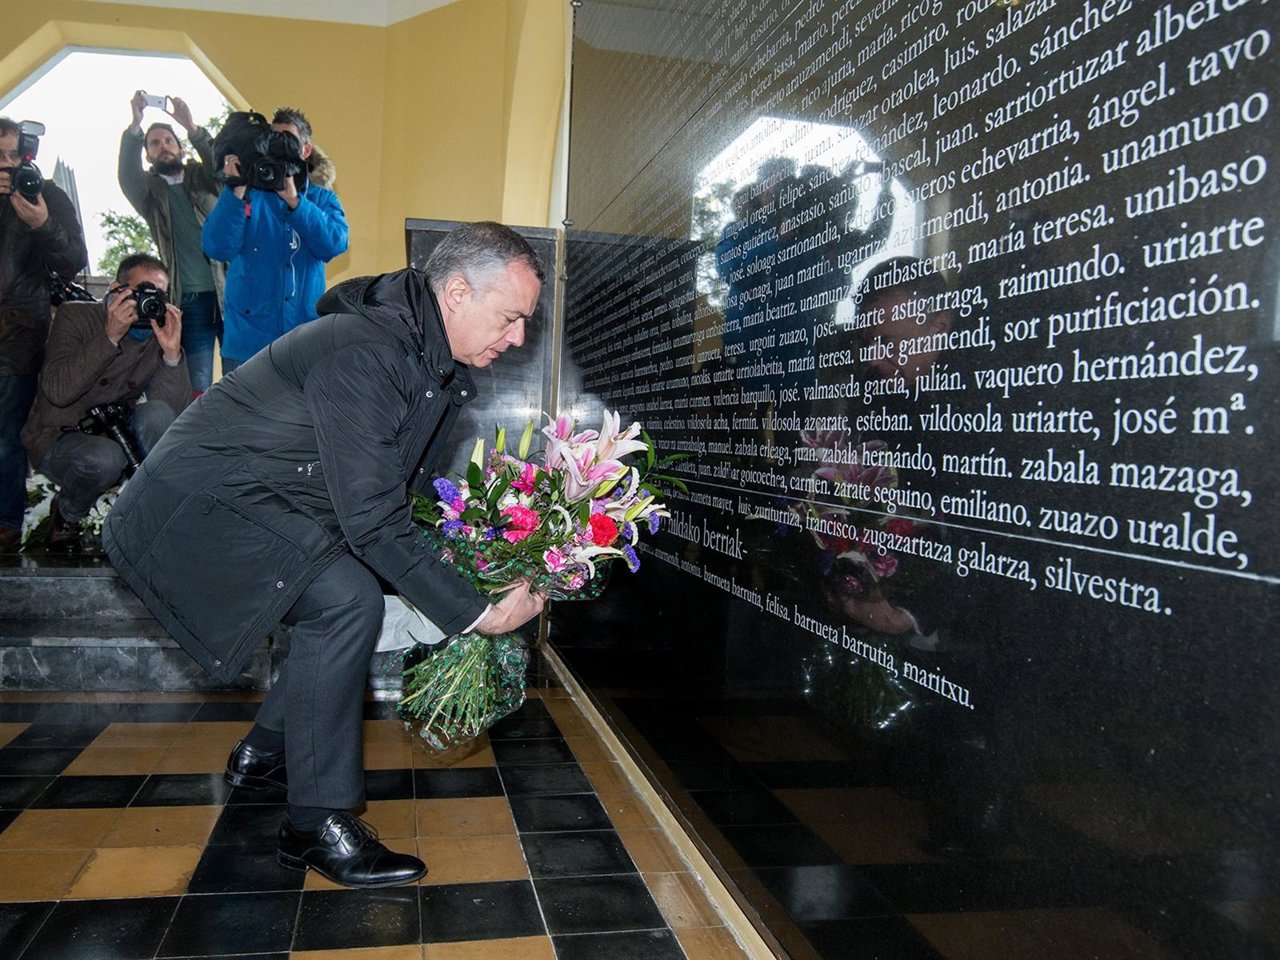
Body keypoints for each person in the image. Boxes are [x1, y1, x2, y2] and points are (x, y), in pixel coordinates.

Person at [105, 221, 546, 887]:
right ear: (457, 292)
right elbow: (372, 519)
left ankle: (264, 753)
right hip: (192, 505)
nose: (517, 338)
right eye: (511, 318)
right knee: (344, 598)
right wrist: (478, 613)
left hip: (244, 497)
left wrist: (460, 565)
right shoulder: (366, 352)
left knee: (341, 595)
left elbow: (385, 498)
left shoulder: (422, 361)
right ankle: (316, 824)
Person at [22, 253, 188, 553]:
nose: (150, 303)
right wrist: (109, 337)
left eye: (159, 295)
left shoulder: (156, 332)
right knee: (104, 458)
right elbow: (58, 391)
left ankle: (155, 517)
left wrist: (172, 356)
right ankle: (67, 514)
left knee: (157, 414)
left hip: (115, 433)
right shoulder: (77, 316)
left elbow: (170, 417)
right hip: (59, 437)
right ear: (116, 289)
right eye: (143, 292)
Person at [202, 106, 348, 374]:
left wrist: (295, 202)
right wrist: (236, 187)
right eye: (271, 141)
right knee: (241, 418)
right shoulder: (244, 195)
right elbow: (216, 247)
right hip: (246, 347)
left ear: (305, 150)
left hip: (302, 346)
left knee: (299, 418)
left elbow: (335, 244)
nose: (276, 149)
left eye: (286, 141)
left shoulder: (321, 199)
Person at [0, 116, 88, 554]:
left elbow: (74, 258)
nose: (8, 165)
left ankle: (5, 528)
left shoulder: (45, 193)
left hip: (16, 335)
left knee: (4, 435)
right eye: (0, 157)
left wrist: (40, 222)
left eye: (15, 156)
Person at [118, 91, 223, 393]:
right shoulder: (150, 194)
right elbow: (127, 176)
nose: (162, 146)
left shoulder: (204, 178)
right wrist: (136, 126)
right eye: (154, 143)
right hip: (189, 301)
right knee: (198, 384)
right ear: (148, 155)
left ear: (179, 147)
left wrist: (192, 127)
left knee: (240, 375)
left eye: (168, 140)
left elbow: (222, 167)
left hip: (230, 294)